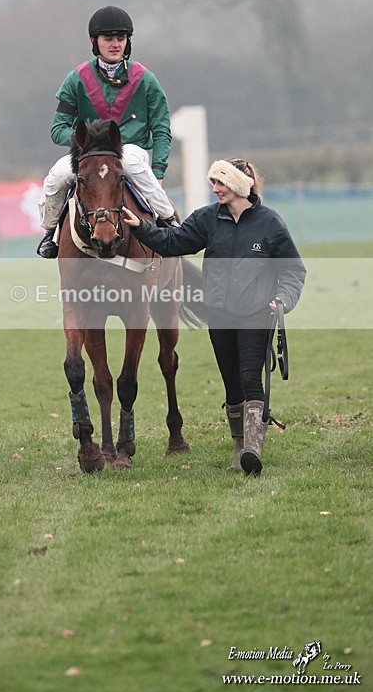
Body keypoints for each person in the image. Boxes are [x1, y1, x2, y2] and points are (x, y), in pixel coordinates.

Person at [122, 158, 306, 476]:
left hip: (257, 312)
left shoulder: (270, 224)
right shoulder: (208, 219)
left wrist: (283, 300)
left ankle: (252, 448)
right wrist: (142, 229)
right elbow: (175, 242)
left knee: (251, 379)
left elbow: (292, 270)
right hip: (219, 315)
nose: (215, 188)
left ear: (239, 185)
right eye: (213, 182)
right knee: (232, 386)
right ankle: (239, 445)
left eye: (221, 182)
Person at [37, 5, 176, 258]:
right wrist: (87, 142)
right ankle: (50, 234)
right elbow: (57, 129)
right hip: (88, 155)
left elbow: (161, 128)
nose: (115, 44)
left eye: (120, 39)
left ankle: (168, 222)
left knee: (133, 164)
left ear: (127, 41)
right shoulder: (76, 79)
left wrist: (158, 171)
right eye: (108, 39)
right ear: (95, 41)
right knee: (56, 177)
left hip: (130, 150)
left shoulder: (145, 80)